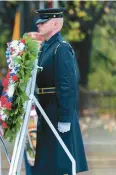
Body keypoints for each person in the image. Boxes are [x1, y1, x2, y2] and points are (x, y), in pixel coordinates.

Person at [32, 8, 88, 175]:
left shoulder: (61, 48)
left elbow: (67, 86)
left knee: (59, 163)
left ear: (55, 23)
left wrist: (65, 117)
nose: (39, 25)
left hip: (56, 112)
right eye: (39, 22)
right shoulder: (46, 48)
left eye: (43, 22)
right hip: (46, 110)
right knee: (47, 164)